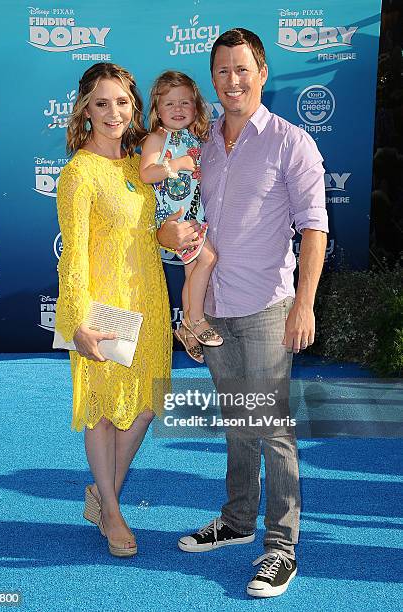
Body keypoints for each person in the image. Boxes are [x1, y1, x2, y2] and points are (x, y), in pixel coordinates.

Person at [157, 28, 328, 597]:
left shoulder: (291, 142)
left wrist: (303, 304)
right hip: (214, 307)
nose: (233, 80)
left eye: (243, 69)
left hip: (265, 306)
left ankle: (281, 547)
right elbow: (178, 220)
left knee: (273, 430)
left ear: (262, 72)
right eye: (223, 71)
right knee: (237, 422)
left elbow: (314, 228)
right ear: (213, 79)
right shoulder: (198, 144)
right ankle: (235, 522)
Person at [55, 62, 171, 558]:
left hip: (149, 297)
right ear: (85, 109)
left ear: (134, 106)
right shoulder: (78, 172)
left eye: (121, 102)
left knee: (143, 407)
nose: (113, 112)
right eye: (101, 103)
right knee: (103, 414)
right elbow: (73, 252)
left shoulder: (137, 164)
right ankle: (114, 515)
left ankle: (103, 497)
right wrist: (77, 322)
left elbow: (156, 229)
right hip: (103, 305)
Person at [140, 70, 223, 364]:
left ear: (196, 107)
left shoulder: (193, 137)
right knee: (208, 259)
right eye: (170, 104)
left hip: (195, 215)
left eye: (185, 104)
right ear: (157, 109)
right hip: (177, 219)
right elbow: (147, 173)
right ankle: (196, 321)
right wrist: (176, 163)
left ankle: (187, 330)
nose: (177, 110)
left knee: (194, 271)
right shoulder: (157, 138)